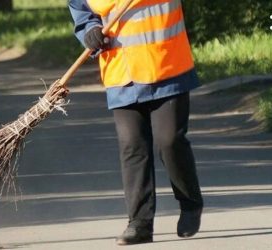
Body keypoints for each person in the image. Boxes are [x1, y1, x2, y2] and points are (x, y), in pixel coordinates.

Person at [68, 0, 204, 245]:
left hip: (167, 65)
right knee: (133, 146)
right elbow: (81, 9)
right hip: (122, 73)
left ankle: (190, 203)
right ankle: (139, 223)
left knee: (169, 141)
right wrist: (89, 31)